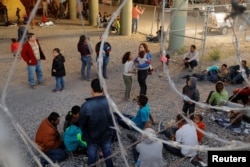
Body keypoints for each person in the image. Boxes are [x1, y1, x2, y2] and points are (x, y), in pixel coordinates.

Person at [79, 78, 114, 167]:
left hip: (92, 136)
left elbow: (82, 124)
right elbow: (113, 119)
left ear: (91, 89)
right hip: (107, 133)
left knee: (92, 154)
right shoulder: (109, 102)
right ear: (103, 89)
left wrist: (85, 134)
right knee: (107, 152)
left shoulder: (86, 106)